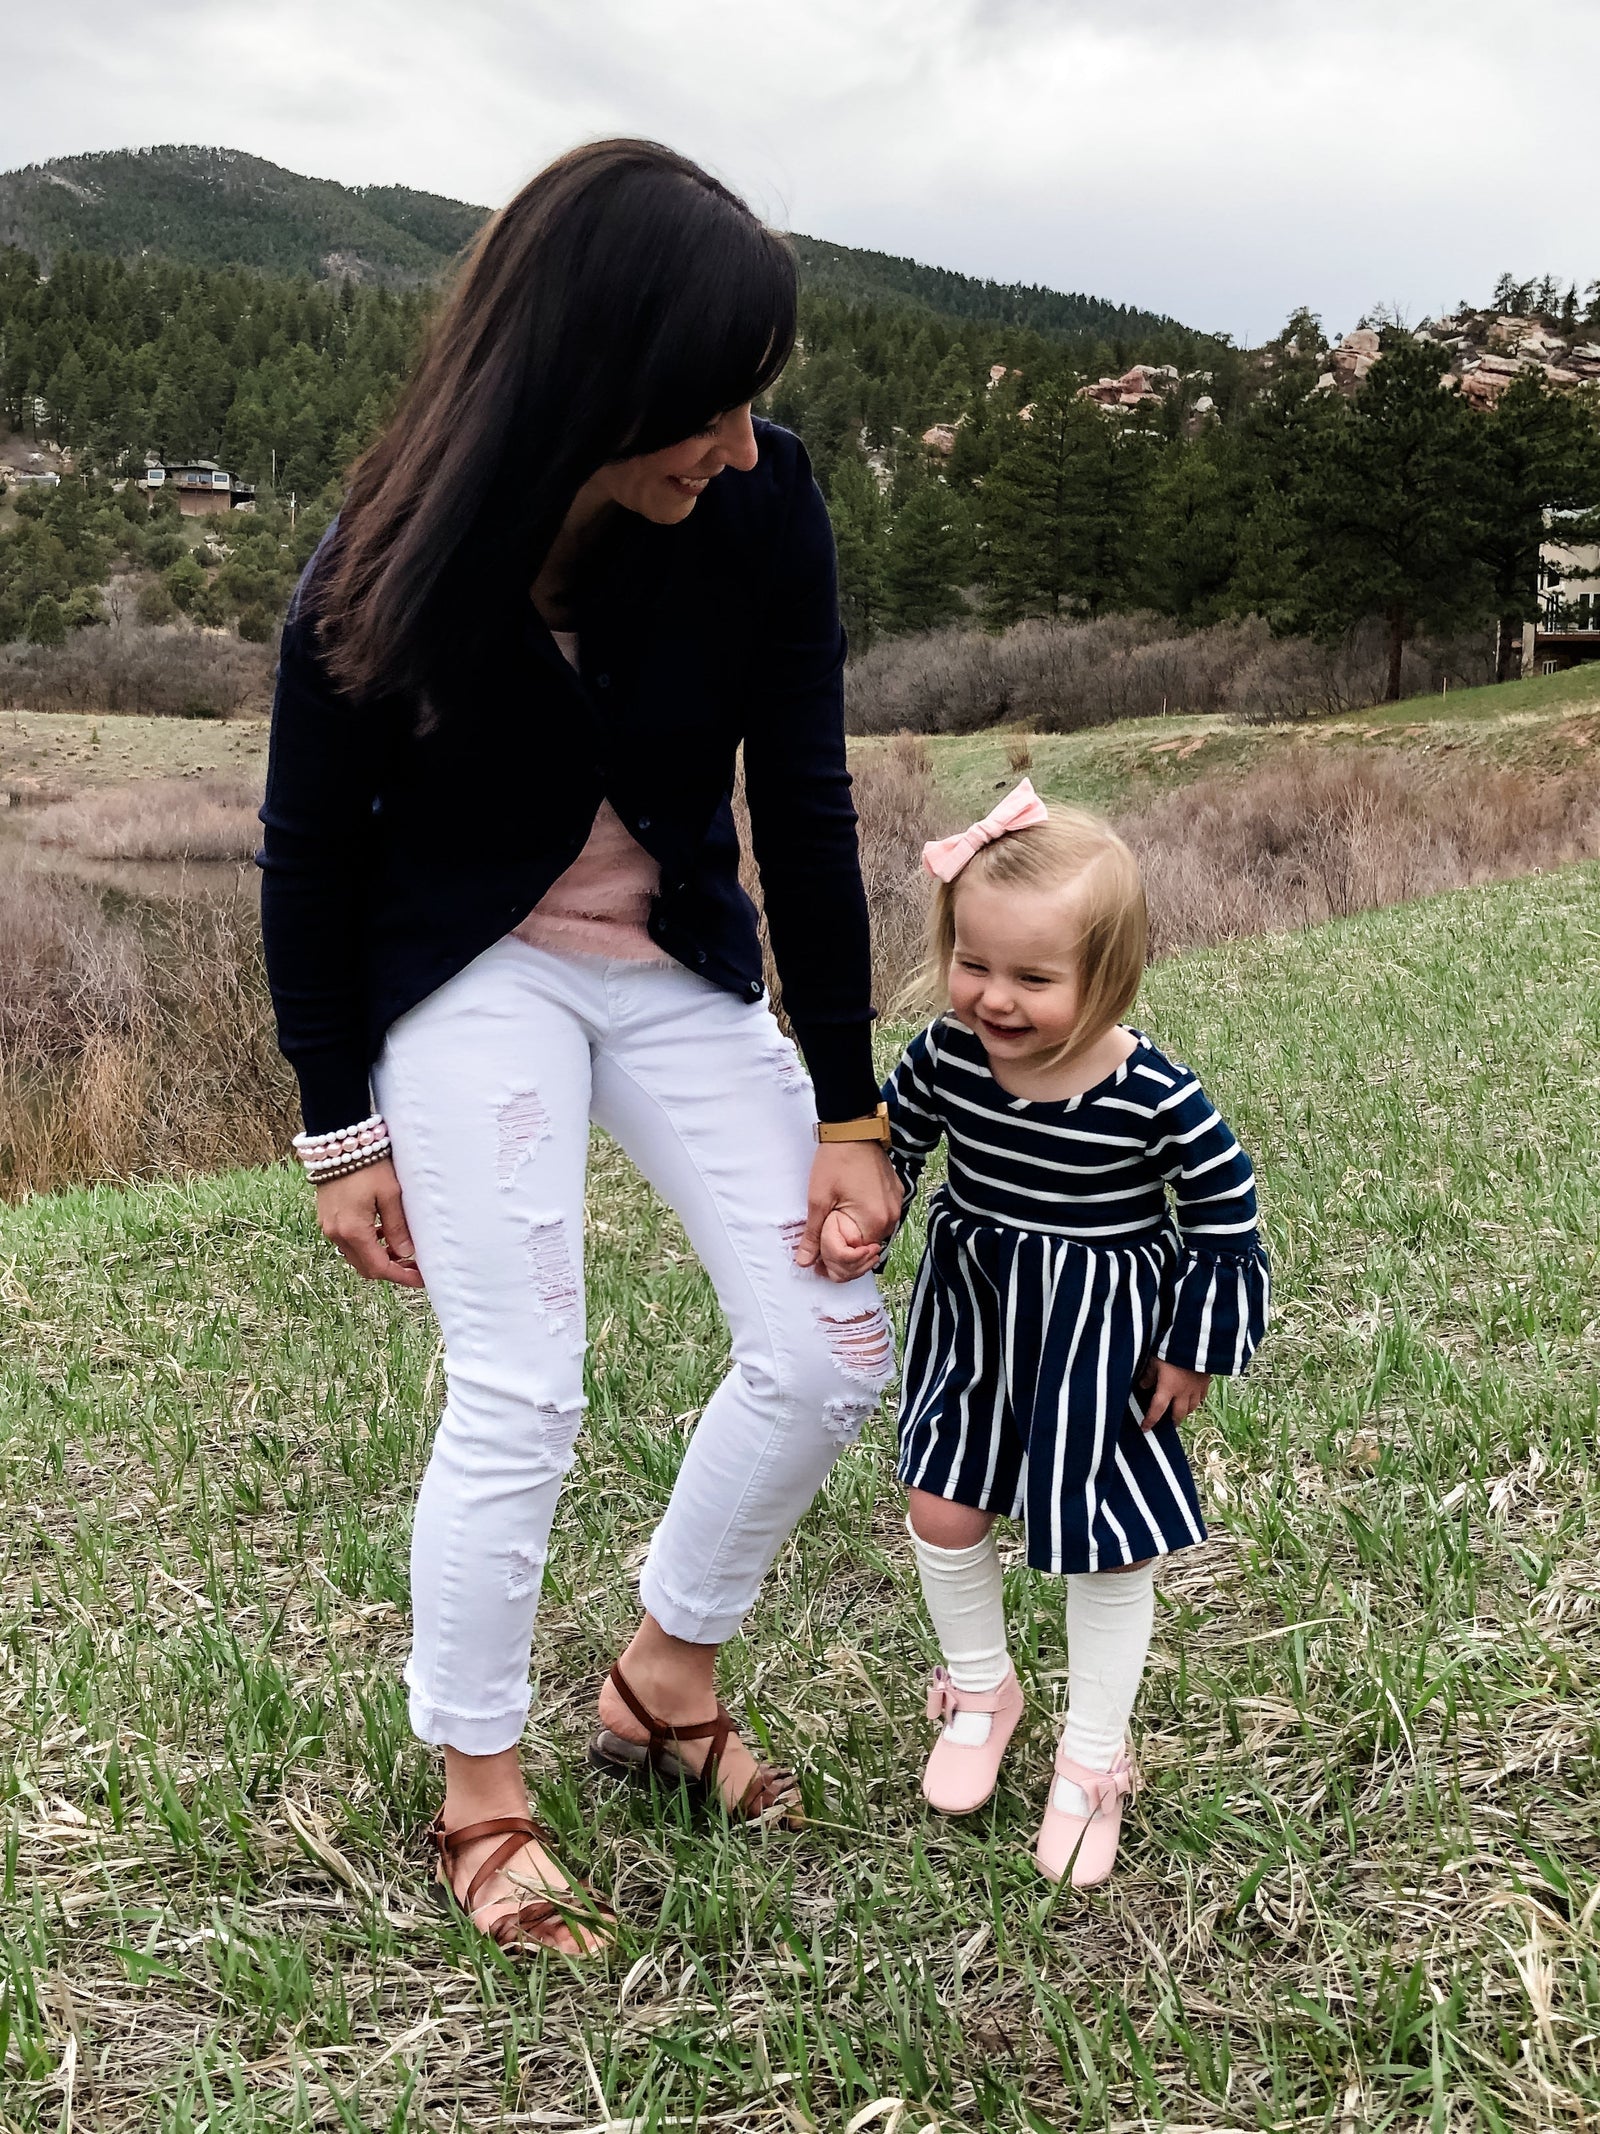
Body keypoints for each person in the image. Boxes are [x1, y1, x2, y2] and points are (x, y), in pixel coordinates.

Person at [259, 140, 902, 1957]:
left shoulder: (767, 510)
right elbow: (308, 848)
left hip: (676, 957)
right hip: (474, 971)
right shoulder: (388, 552)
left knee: (831, 1339)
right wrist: (337, 1126)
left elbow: (806, 793)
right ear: (587, 392)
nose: (740, 444)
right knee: (524, 1385)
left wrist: (849, 1104)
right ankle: (479, 1785)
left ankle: (660, 1674)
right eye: (704, 408)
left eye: (752, 402)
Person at [819, 782, 1270, 1886]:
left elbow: (1224, 1211)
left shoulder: (1151, 1094)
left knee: (1100, 1540)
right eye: (975, 964)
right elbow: (896, 1147)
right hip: (975, 1317)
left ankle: (1094, 1752)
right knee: (940, 1498)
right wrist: (857, 1222)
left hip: (1100, 1339)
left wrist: (1194, 1343)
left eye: (1033, 978)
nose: (995, 999)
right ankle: (981, 1687)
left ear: (1104, 977)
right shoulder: (945, 1055)